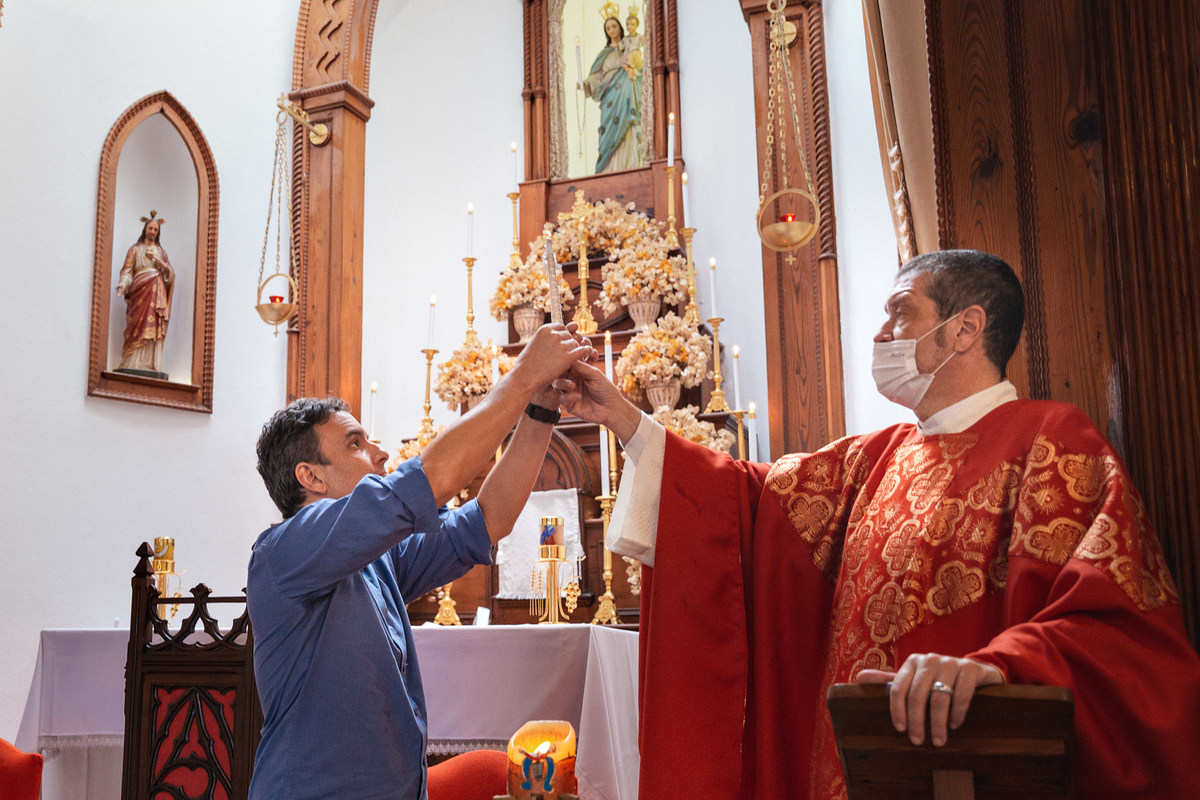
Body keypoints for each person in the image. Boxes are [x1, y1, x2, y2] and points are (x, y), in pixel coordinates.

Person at [558, 249, 1200, 799]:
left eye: (901, 312)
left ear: (965, 329)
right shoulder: (875, 457)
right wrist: (624, 419)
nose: (880, 334)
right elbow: (745, 509)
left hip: (970, 763)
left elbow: (1114, 623)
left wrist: (1000, 664)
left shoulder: (1053, 443)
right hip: (850, 764)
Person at [247, 323, 595, 800]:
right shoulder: (284, 551)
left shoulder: (375, 559)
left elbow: (489, 520)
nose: (380, 452)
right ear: (311, 476)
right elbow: (432, 478)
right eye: (355, 443)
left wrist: (541, 409)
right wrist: (524, 375)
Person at [115, 211, 174, 376]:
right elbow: (128, 270)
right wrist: (123, 284)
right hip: (139, 291)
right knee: (137, 324)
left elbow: (170, 276)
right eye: (151, 228)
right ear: (145, 229)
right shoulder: (135, 250)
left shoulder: (161, 252)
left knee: (153, 324)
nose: (153, 232)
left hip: (156, 290)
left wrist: (162, 265)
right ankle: (132, 360)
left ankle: (149, 363)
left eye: (156, 229)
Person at [583, 15, 643, 174]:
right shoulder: (604, 54)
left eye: (614, 26)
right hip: (609, 97)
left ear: (620, 28)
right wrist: (586, 84)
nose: (611, 30)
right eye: (608, 28)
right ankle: (608, 169)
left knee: (628, 125)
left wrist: (632, 61)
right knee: (608, 130)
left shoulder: (627, 46)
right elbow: (596, 76)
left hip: (625, 92)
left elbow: (639, 63)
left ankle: (629, 165)